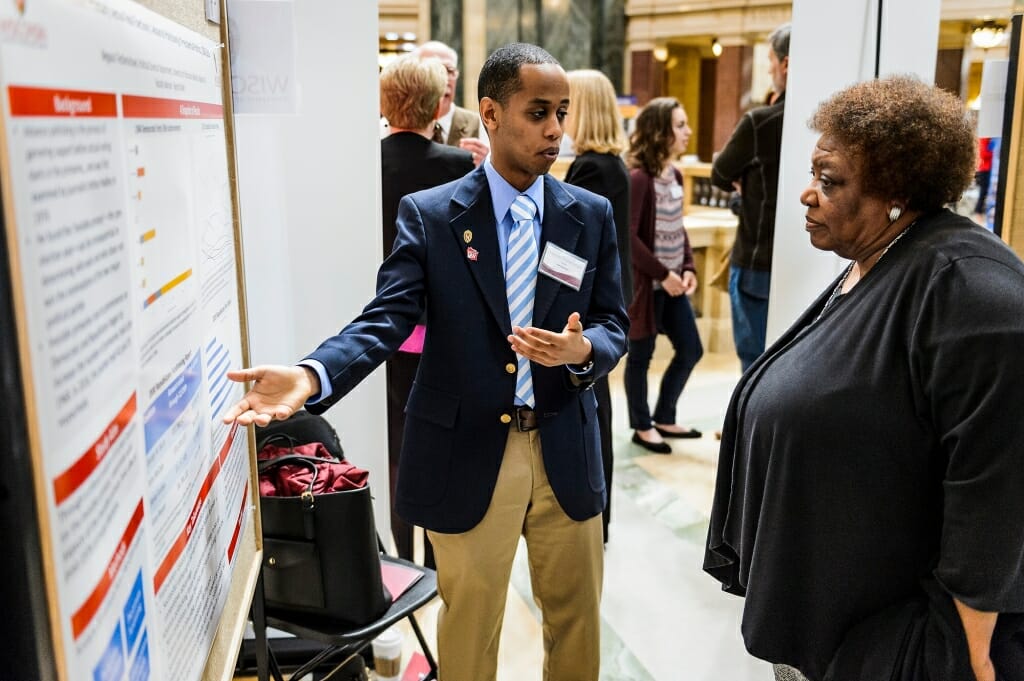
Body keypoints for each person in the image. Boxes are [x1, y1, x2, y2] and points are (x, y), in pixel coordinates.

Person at [224, 43, 628, 681]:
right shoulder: (435, 215)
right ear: (489, 114)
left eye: (563, 112)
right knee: (470, 629)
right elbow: (387, 317)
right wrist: (311, 375)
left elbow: (615, 323)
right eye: (538, 112)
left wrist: (585, 352)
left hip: (566, 450)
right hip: (468, 452)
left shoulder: (590, 215)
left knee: (577, 626)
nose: (555, 129)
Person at [704, 76, 1024, 681]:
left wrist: (967, 655)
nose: (807, 194)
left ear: (897, 191)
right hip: (832, 624)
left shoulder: (972, 293)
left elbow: (994, 495)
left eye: (830, 181)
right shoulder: (876, 260)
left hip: (901, 649)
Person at [379, 54, 475, 569]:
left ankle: (402, 556)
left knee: (396, 442)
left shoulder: (366, 161)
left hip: (388, 324)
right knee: (438, 438)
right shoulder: (456, 165)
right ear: (436, 103)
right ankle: (439, 561)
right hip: (438, 326)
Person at [562, 68, 631, 541]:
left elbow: (570, 254)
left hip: (583, 308)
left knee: (591, 412)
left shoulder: (589, 168)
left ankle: (592, 514)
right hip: (601, 301)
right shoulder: (613, 166)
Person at [624, 96, 704, 455]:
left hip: (673, 284)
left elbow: (678, 228)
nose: (687, 132)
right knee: (640, 357)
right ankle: (642, 426)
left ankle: (665, 415)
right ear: (660, 131)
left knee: (691, 348)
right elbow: (628, 237)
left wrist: (688, 267)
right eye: (680, 125)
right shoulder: (639, 178)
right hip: (647, 287)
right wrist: (663, 273)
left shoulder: (676, 174)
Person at [710, 22, 790, 371]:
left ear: (785, 64)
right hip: (818, 262)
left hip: (758, 261)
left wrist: (744, 187)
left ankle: (747, 426)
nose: (770, 69)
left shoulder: (761, 123)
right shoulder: (834, 122)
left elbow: (720, 173)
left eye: (771, 61)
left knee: (755, 361)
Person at [412, 40, 490, 166]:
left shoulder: (480, 124)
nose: (444, 78)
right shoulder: (400, 125)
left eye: (449, 70)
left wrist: (487, 165)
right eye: (433, 69)